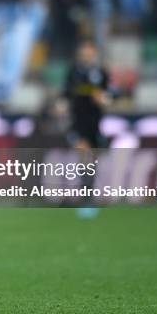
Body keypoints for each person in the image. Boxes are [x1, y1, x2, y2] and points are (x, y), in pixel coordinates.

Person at [62, 41, 110, 219]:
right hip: (78, 120)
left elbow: (108, 94)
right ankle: (86, 199)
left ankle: (89, 195)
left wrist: (104, 99)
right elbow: (66, 93)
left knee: (92, 159)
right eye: (84, 53)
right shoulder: (74, 72)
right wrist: (62, 104)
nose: (86, 56)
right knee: (84, 155)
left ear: (94, 54)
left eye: (89, 53)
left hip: (95, 121)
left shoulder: (101, 73)